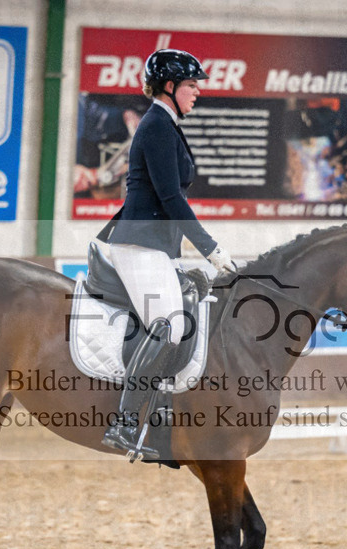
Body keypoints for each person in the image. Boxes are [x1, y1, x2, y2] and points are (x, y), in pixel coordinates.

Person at [97, 48, 236, 460]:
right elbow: (172, 199)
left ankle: (160, 424)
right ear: (170, 86)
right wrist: (210, 249)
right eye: (192, 85)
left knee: (188, 307)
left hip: (156, 245)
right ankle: (124, 424)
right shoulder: (157, 125)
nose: (198, 92)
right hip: (139, 244)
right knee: (170, 325)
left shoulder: (167, 124)